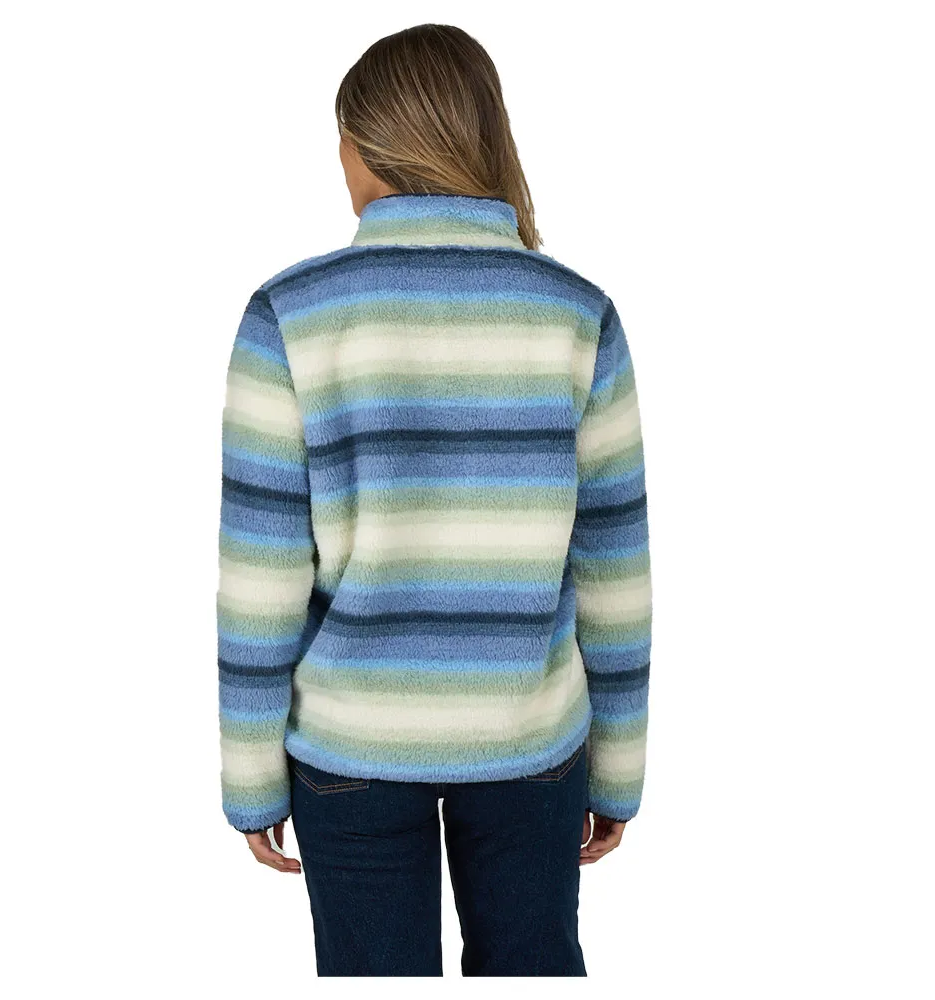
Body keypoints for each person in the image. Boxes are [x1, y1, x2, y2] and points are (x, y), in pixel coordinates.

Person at [216, 23, 652, 978]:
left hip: (351, 753)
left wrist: (250, 775)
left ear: (367, 145)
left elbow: (260, 577)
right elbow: (614, 568)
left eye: (339, 137)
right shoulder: (579, 315)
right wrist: (619, 766)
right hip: (531, 743)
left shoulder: (290, 316)